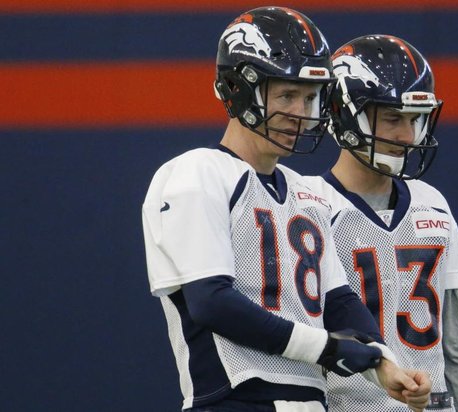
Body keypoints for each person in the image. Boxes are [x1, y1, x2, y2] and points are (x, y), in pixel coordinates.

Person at [141, 8, 430, 412]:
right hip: (235, 397)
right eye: (286, 95)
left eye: (310, 96)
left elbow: (339, 300)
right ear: (238, 89)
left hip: (311, 402)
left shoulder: (305, 191)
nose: (300, 111)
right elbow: (212, 302)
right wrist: (326, 348)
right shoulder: (195, 173)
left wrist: (383, 362)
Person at [303, 35, 458, 411]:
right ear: (343, 113)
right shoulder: (309, 205)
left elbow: (456, 347)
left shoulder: (432, 205)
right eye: (392, 118)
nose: (405, 135)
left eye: (414, 119)